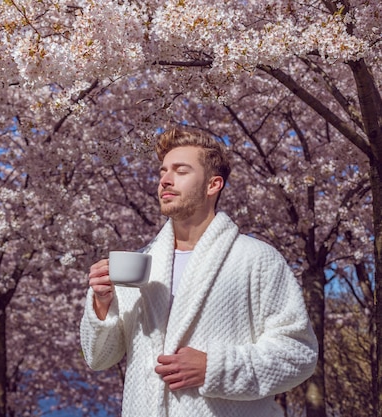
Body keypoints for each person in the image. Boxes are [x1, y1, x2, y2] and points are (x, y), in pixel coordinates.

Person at [80, 128, 318, 417]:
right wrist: (102, 304)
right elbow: (99, 358)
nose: (165, 180)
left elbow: (298, 354)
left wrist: (215, 368)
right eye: (162, 172)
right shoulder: (141, 263)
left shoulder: (256, 259)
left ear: (212, 185)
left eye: (181, 171)